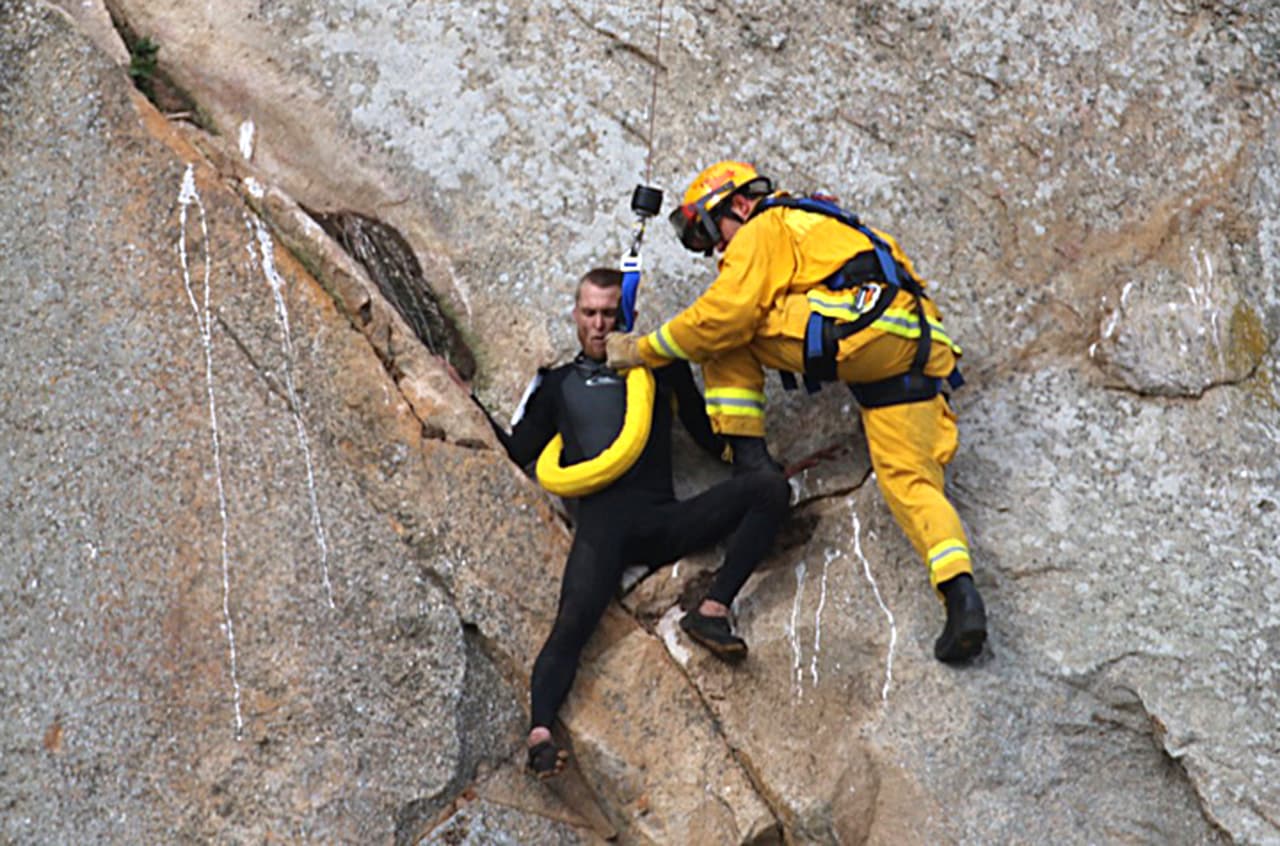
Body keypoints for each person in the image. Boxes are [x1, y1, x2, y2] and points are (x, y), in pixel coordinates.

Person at [606, 160, 988, 665]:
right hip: (913, 346)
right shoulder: (823, 223)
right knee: (912, 484)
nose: (716, 248)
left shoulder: (765, 224)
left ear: (738, 204)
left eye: (711, 230)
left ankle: (750, 465)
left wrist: (643, 350)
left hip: (861, 329)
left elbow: (727, 314)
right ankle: (961, 596)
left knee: (725, 328)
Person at [494, 267, 790, 779]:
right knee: (571, 625)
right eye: (590, 312)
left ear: (624, 315)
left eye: (610, 313)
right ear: (575, 315)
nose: (600, 324)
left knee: (770, 489)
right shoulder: (559, 384)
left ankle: (712, 609)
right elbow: (516, 450)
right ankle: (541, 733)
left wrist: (766, 455)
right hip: (604, 529)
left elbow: (705, 432)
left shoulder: (660, 370)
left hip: (664, 519)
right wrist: (463, 394)